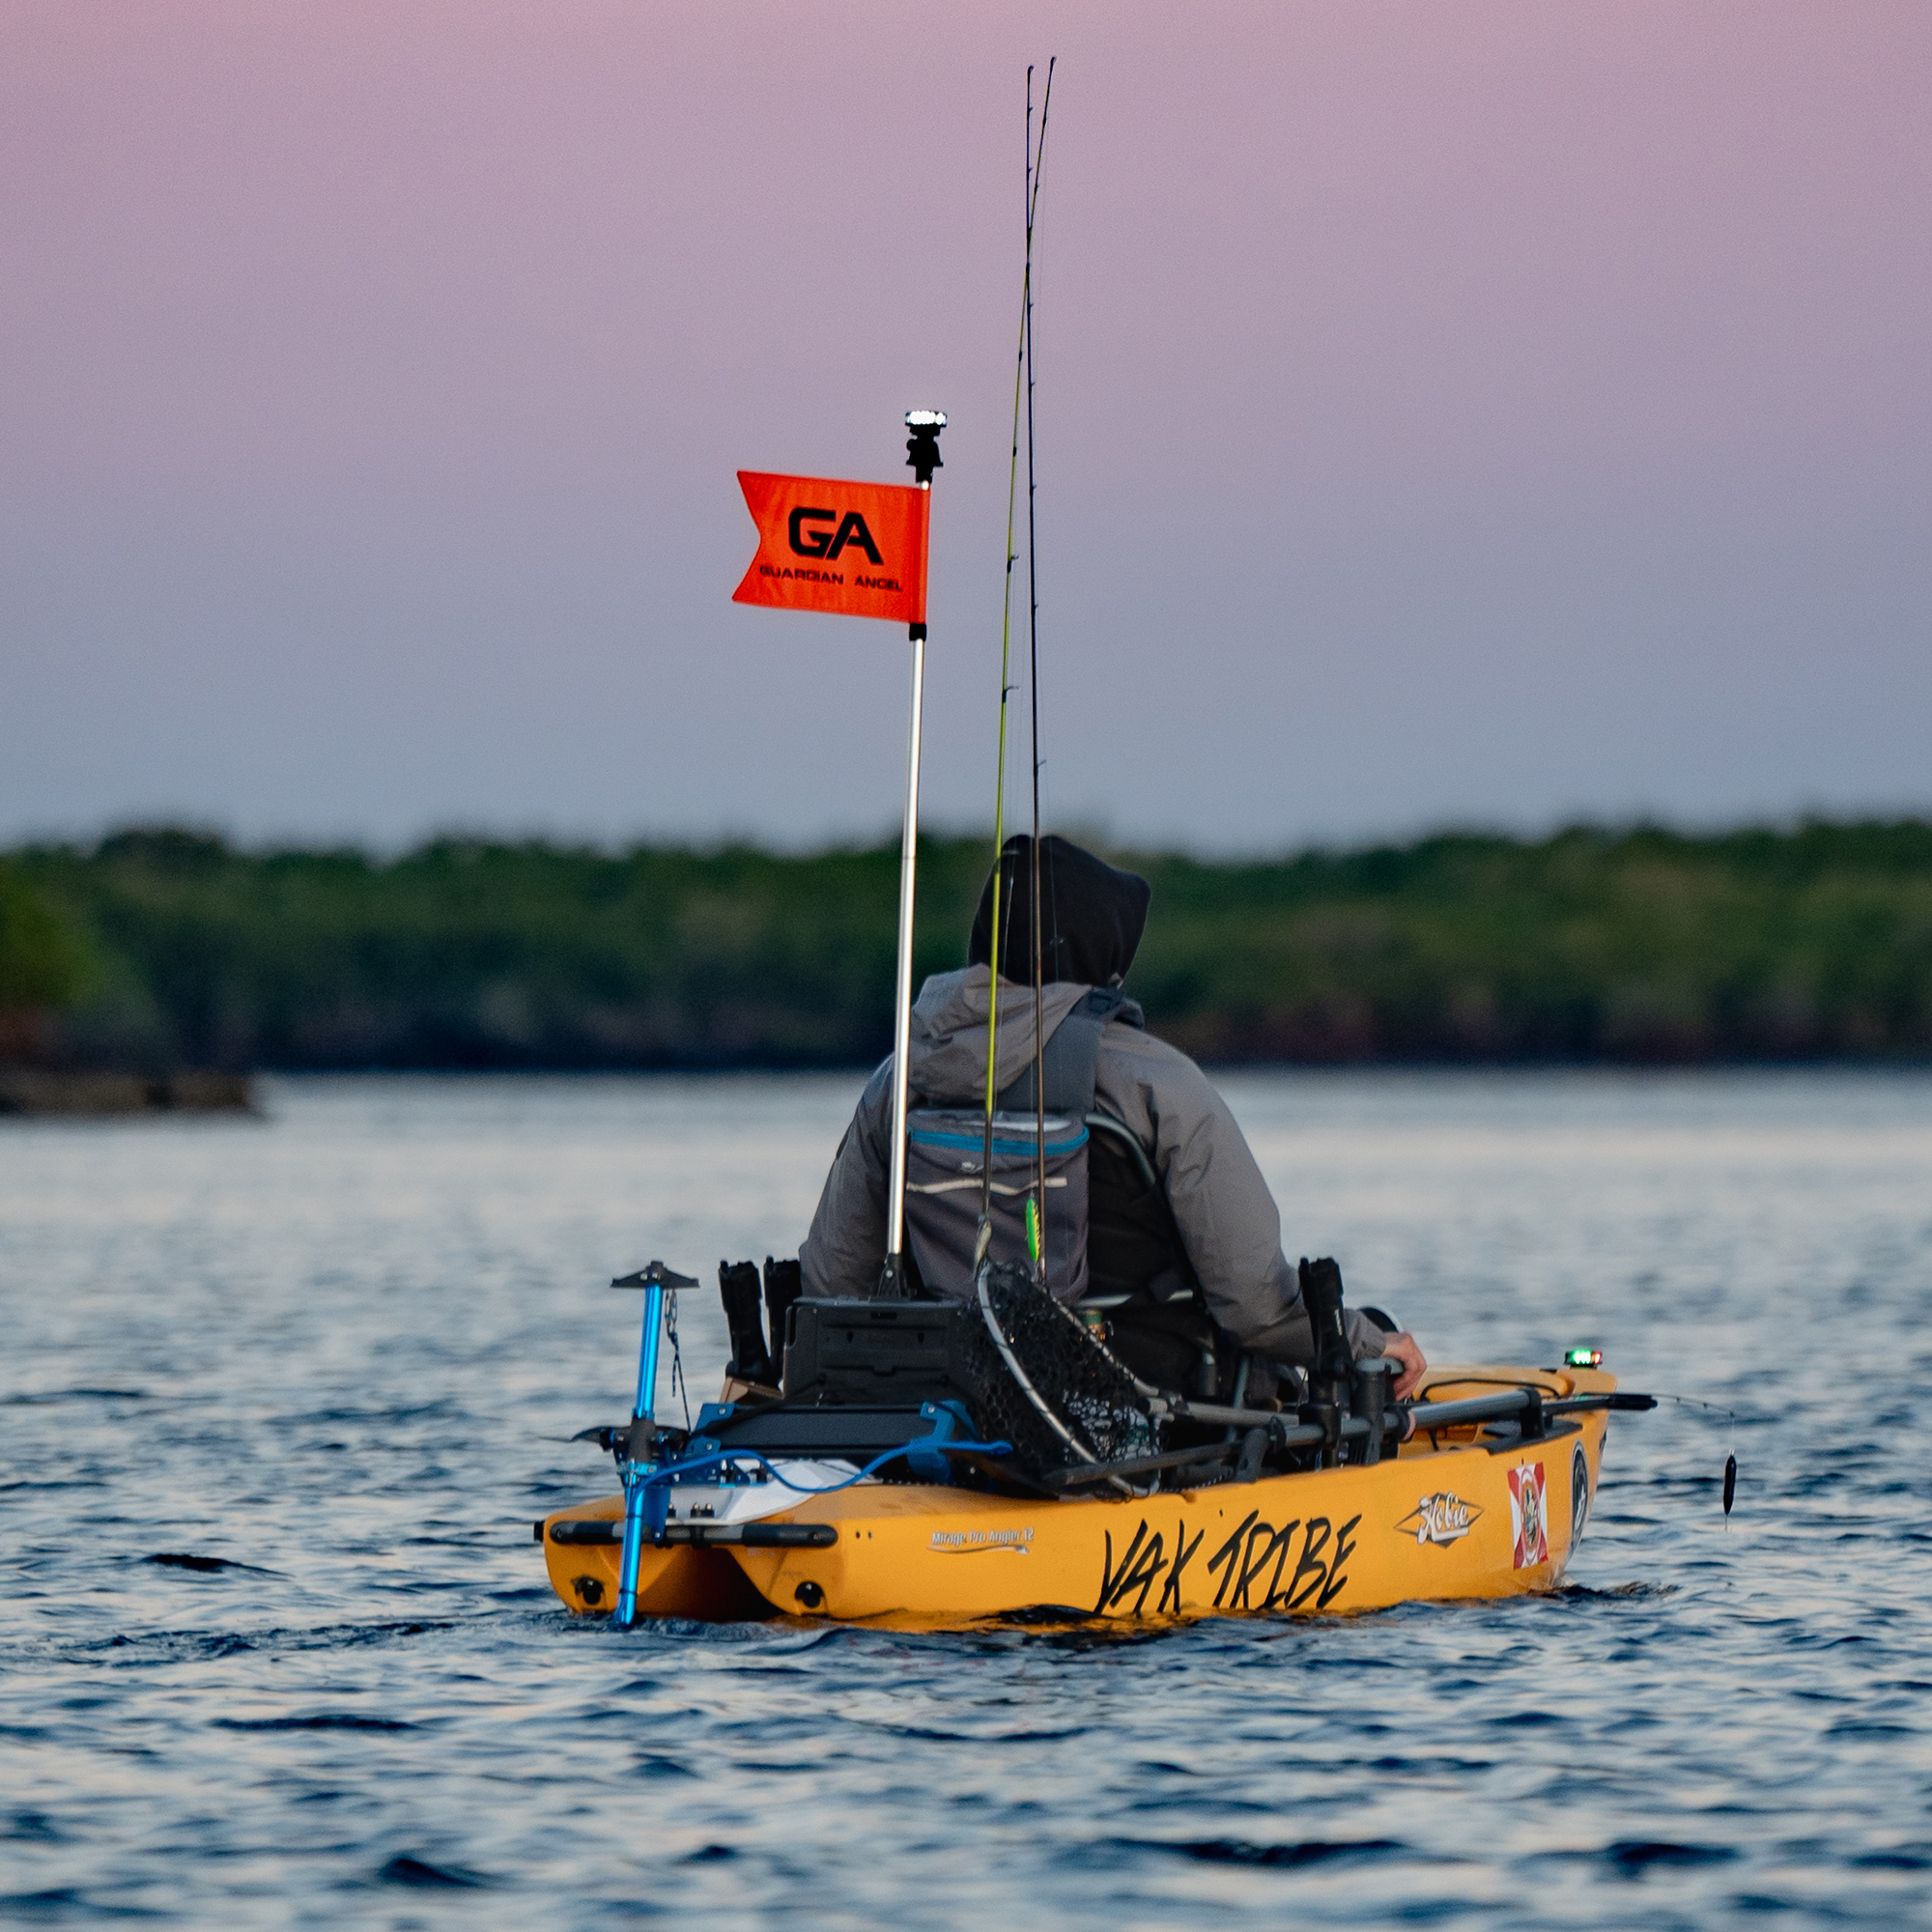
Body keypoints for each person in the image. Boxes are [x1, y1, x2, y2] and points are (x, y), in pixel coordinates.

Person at [799, 834, 1428, 1402]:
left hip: (954, 1398)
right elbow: (1257, 1309)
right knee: (1362, 1331)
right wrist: (1370, 1341)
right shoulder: (1159, 1082)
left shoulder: (897, 1082)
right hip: (1164, 1412)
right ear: (1101, 957)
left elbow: (830, 1285)